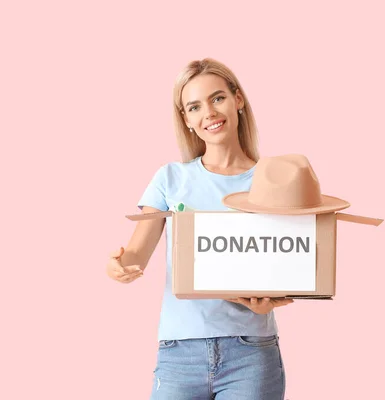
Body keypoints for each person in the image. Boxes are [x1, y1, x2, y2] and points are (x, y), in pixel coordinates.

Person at [107, 58, 294, 400]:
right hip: (180, 353)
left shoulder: (273, 180)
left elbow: (285, 264)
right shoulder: (170, 179)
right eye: (195, 106)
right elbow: (138, 252)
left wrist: (272, 300)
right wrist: (120, 264)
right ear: (187, 119)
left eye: (217, 98)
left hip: (250, 353)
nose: (209, 112)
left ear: (238, 99)